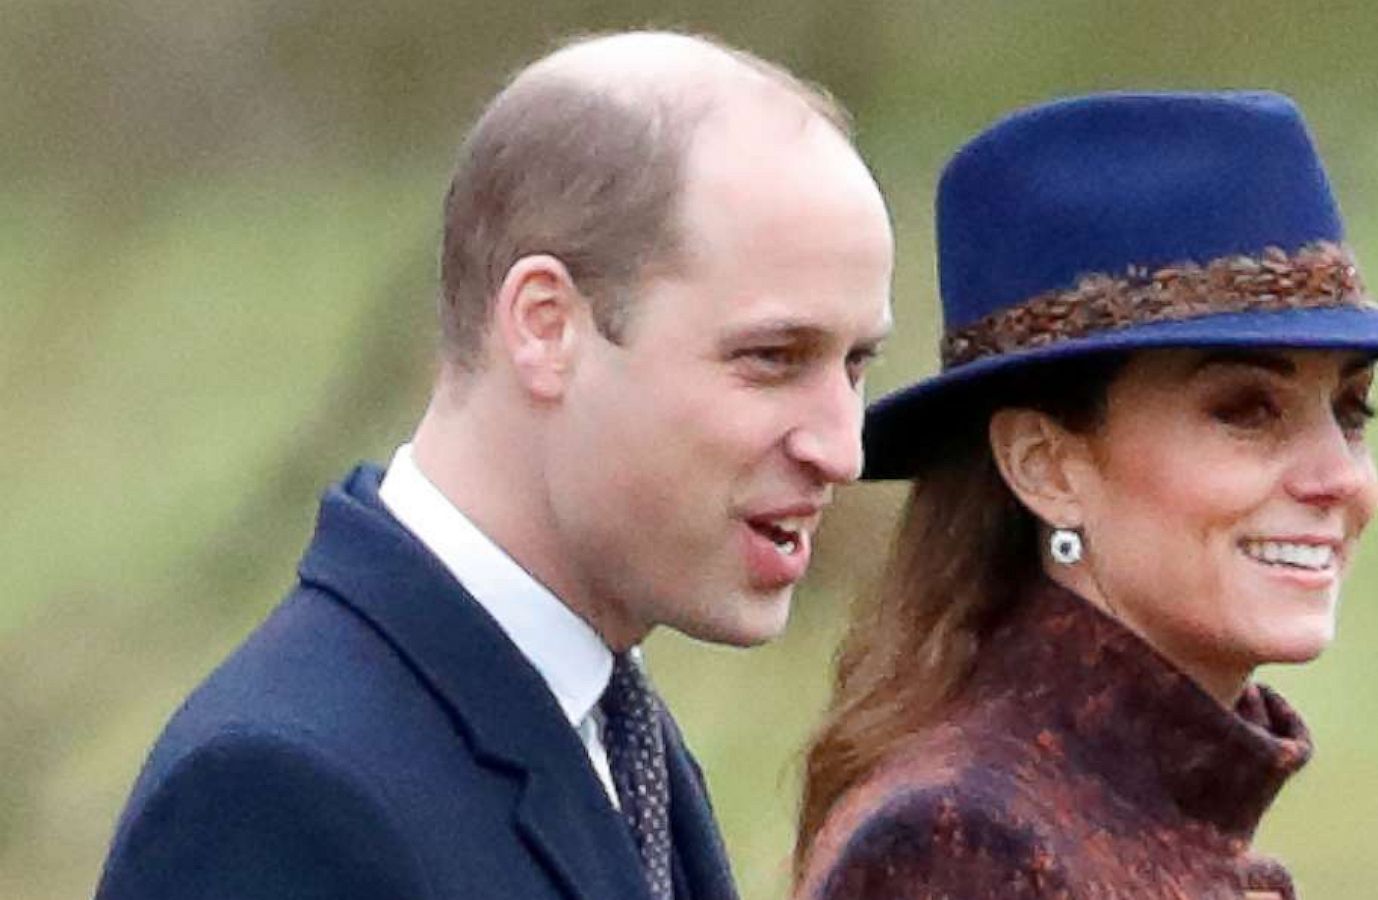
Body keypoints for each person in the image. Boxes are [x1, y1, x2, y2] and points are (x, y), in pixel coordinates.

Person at [96, 30, 894, 900]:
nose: (841, 448)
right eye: (773, 357)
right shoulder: (276, 792)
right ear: (546, 326)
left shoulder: (614, 736)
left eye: (855, 365)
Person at [793, 92, 1378, 899]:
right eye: (1244, 411)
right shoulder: (967, 846)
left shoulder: (1128, 819)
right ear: (1045, 468)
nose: (1336, 476)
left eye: (1350, 411)